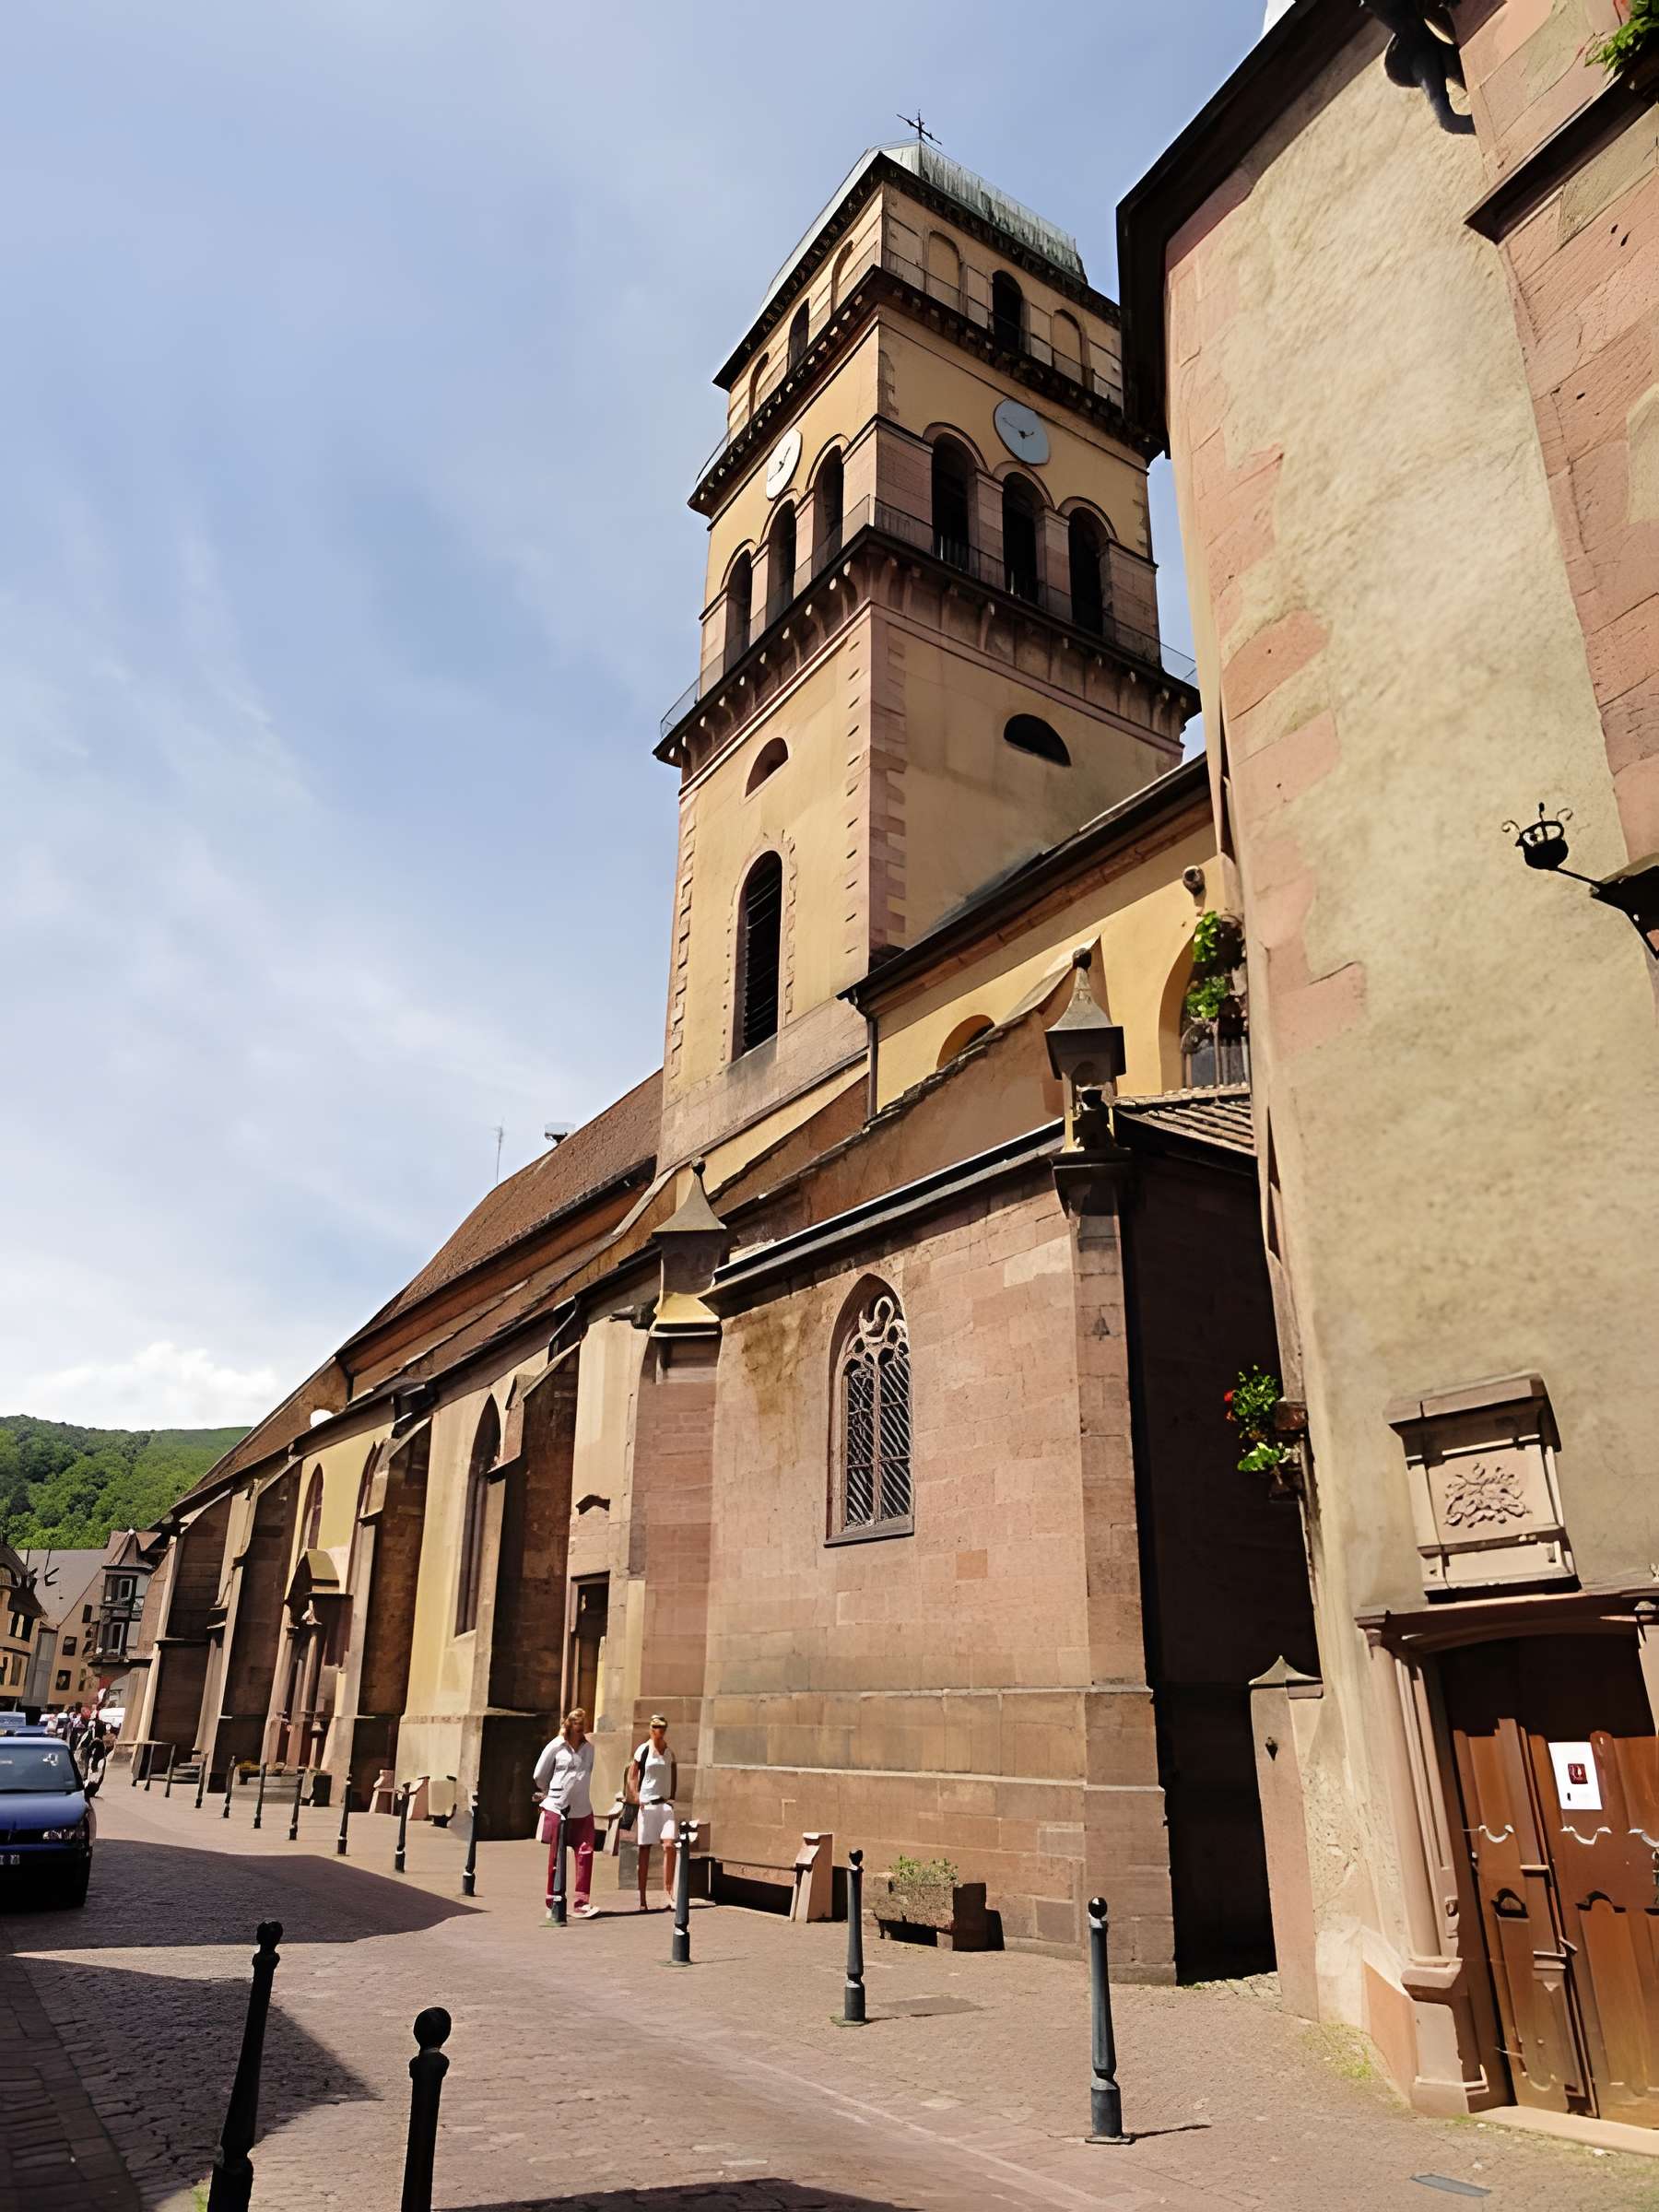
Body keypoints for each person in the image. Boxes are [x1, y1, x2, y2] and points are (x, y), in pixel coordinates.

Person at [531, 1708, 598, 1921]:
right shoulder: (556, 1746)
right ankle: (553, 1901)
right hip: (558, 1809)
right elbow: (539, 1774)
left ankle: (581, 1903)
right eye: (577, 1730)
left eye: (583, 1730)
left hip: (583, 1809)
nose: (581, 1734)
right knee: (556, 1858)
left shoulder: (589, 1749)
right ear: (569, 1728)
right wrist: (551, 1793)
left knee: (585, 1855)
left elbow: (587, 1773)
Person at [627, 1712, 678, 1912]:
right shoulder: (643, 1750)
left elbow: (673, 1774)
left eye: (663, 1728)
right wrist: (636, 1795)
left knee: (669, 1845)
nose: (660, 1732)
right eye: (656, 1728)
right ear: (651, 1729)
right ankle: (642, 1898)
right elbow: (632, 1776)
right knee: (645, 1850)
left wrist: (672, 1797)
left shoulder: (669, 1752)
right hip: (647, 1805)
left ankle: (669, 1893)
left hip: (664, 1804)